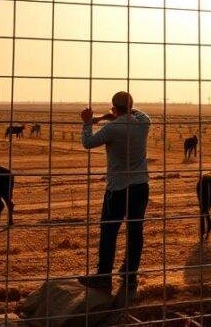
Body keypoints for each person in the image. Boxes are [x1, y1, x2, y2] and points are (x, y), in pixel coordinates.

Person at [78, 90, 152, 296]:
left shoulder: (112, 128)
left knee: (109, 231)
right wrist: (116, 114)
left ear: (113, 107)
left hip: (118, 187)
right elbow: (138, 113)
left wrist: (87, 122)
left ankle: (103, 277)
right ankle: (130, 274)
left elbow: (88, 143)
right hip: (140, 185)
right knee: (135, 231)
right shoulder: (144, 123)